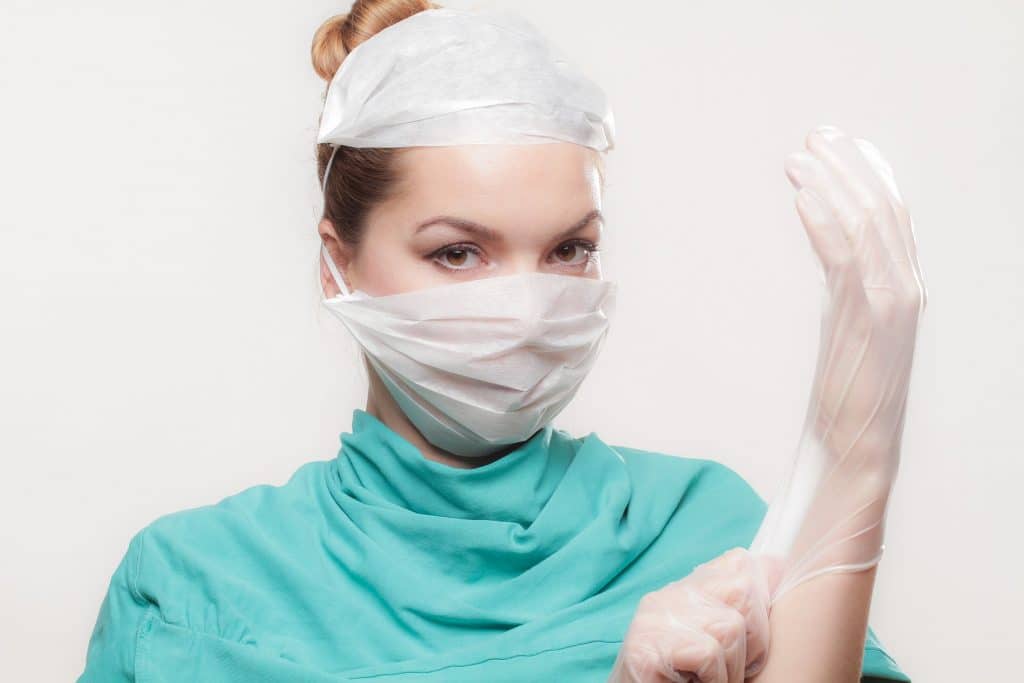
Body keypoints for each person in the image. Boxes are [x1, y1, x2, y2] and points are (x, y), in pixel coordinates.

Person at [77, 2, 923, 681]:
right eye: (458, 252)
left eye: (569, 249)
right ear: (339, 263)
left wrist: (853, 456)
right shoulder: (191, 587)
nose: (525, 309)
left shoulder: (707, 534)